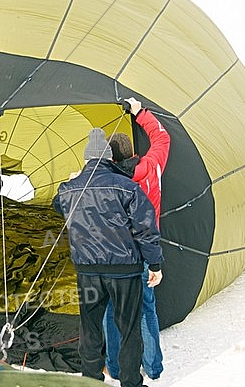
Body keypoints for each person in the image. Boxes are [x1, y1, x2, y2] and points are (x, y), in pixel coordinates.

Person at [52, 127, 164, 387]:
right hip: (124, 270)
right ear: (108, 159)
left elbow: (58, 205)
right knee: (128, 329)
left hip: (87, 271)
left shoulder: (69, 189)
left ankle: (90, 380)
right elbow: (146, 228)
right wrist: (155, 264)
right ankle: (130, 382)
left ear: (86, 159)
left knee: (90, 328)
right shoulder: (127, 187)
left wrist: (73, 180)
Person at [103, 97, 171, 382]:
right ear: (132, 152)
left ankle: (116, 368)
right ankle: (153, 367)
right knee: (146, 309)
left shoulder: (103, 181)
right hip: (145, 254)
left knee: (111, 309)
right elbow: (162, 137)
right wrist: (139, 112)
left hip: (115, 257)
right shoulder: (152, 166)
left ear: (110, 158)